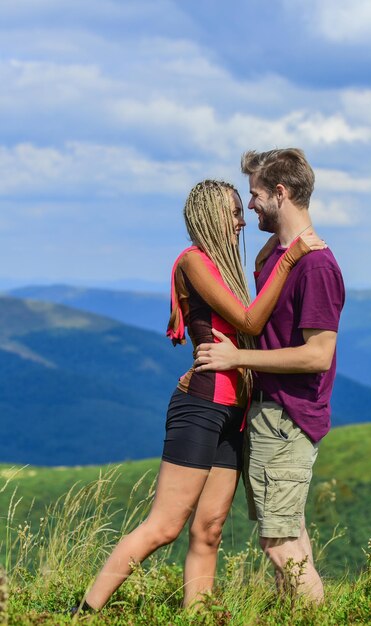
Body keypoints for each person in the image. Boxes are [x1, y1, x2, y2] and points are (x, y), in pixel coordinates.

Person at [72, 179, 324, 615]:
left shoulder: (222, 268)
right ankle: (82, 613)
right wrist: (290, 260)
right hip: (201, 407)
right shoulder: (193, 262)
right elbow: (248, 319)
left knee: (209, 529)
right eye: (233, 213)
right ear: (210, 215)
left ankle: (199, 618)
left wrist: (269, 262)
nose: (242, 221)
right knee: (164, 526)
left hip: (234, 413)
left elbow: (251, 325)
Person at [194, 150, 345, 603]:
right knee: (291, 534)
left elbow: (318, 355)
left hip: (286, 417)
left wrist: (237, 359)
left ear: (281, 192)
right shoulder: (281, 257)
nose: (250, 206)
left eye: (256, 195)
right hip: (274, 415)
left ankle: (318, 615)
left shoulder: (316, 266)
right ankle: (294, 613)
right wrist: (276, 246)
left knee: (277, 542)